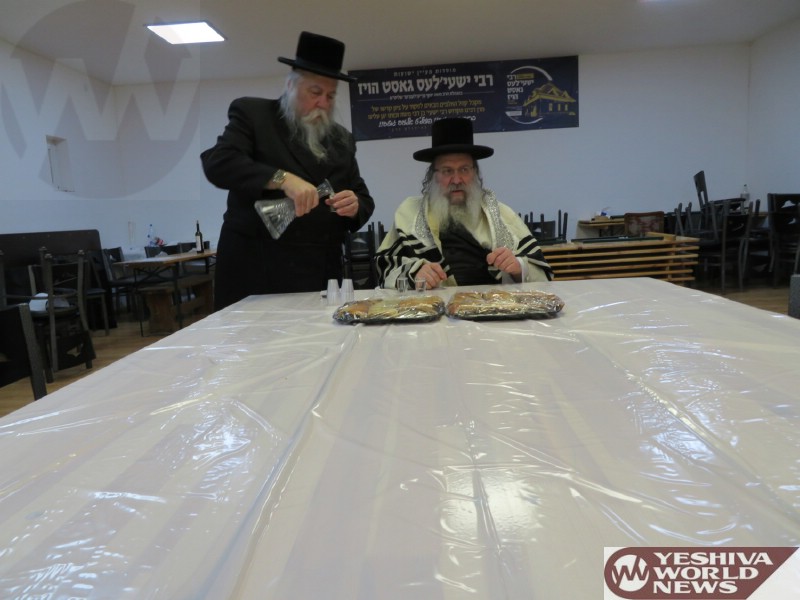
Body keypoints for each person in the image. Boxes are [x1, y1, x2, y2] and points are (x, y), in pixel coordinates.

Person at [201, 31, 375, 310]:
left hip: (320, 273)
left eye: (330, 96)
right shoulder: (254, 115)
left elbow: (362, 196)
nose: (323, 103)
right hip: (256, 271)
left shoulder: (342, 139)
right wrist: (281, 178)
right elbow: (219, 162)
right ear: (291, 85)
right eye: (315, 93)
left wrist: (354, 205)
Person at [375, 118, 552, 290]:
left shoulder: (501, 213)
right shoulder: (409, 213)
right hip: (432, 304)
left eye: (464, 169)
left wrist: (518, 268)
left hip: (491, 304)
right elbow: (383, 268)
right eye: (447, 171)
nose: (457, 179)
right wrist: (414, 273)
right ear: (433, 176)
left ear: (475, 173)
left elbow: (541, 273)